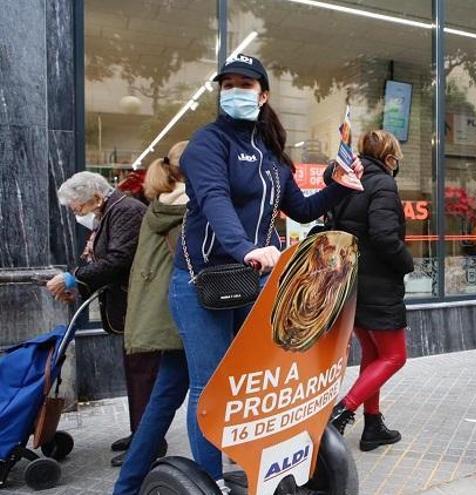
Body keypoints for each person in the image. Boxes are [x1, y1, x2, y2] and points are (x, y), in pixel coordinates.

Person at [169, 54, 361, 489]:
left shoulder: (272, 152)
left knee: (253, 381)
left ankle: (255, 465)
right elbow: (215, 200)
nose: (236, 91)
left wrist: (338, 183)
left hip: (255, 279)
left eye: (246, 84)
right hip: (204, 282)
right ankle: (213, 480)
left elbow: (302, 208)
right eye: (228, 84)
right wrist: (247, 249)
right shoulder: (207, 144)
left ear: (263, 94)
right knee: (211, 385)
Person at [48, 171, 159, 466]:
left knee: (142, 374)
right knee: (136, 373)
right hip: (128, 306)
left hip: (141, 307)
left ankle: (148, 443)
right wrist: (78, 284)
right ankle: (141, 435)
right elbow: (99, 258)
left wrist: (74, 279)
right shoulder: (111, 210)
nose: (76, 213)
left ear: (95, 197)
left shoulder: (125, 210)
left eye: (77, 207)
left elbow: (118, 259)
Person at [327, 130, 414, 452]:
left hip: (350, 282)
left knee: (373, 353)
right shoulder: (383, 184)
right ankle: (343, 412)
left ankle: (373, 424)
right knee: (395, 356)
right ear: (389, 158)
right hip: (377, 284)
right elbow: (384, 236)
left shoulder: (347, 180)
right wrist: (407, 263)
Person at [113, 142, 190, 494]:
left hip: (165, 318)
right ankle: (213, 477)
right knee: (205, 396)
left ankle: (126, 486)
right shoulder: (188, 207)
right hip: (186, 318)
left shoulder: (162, 204)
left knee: (163, 399)